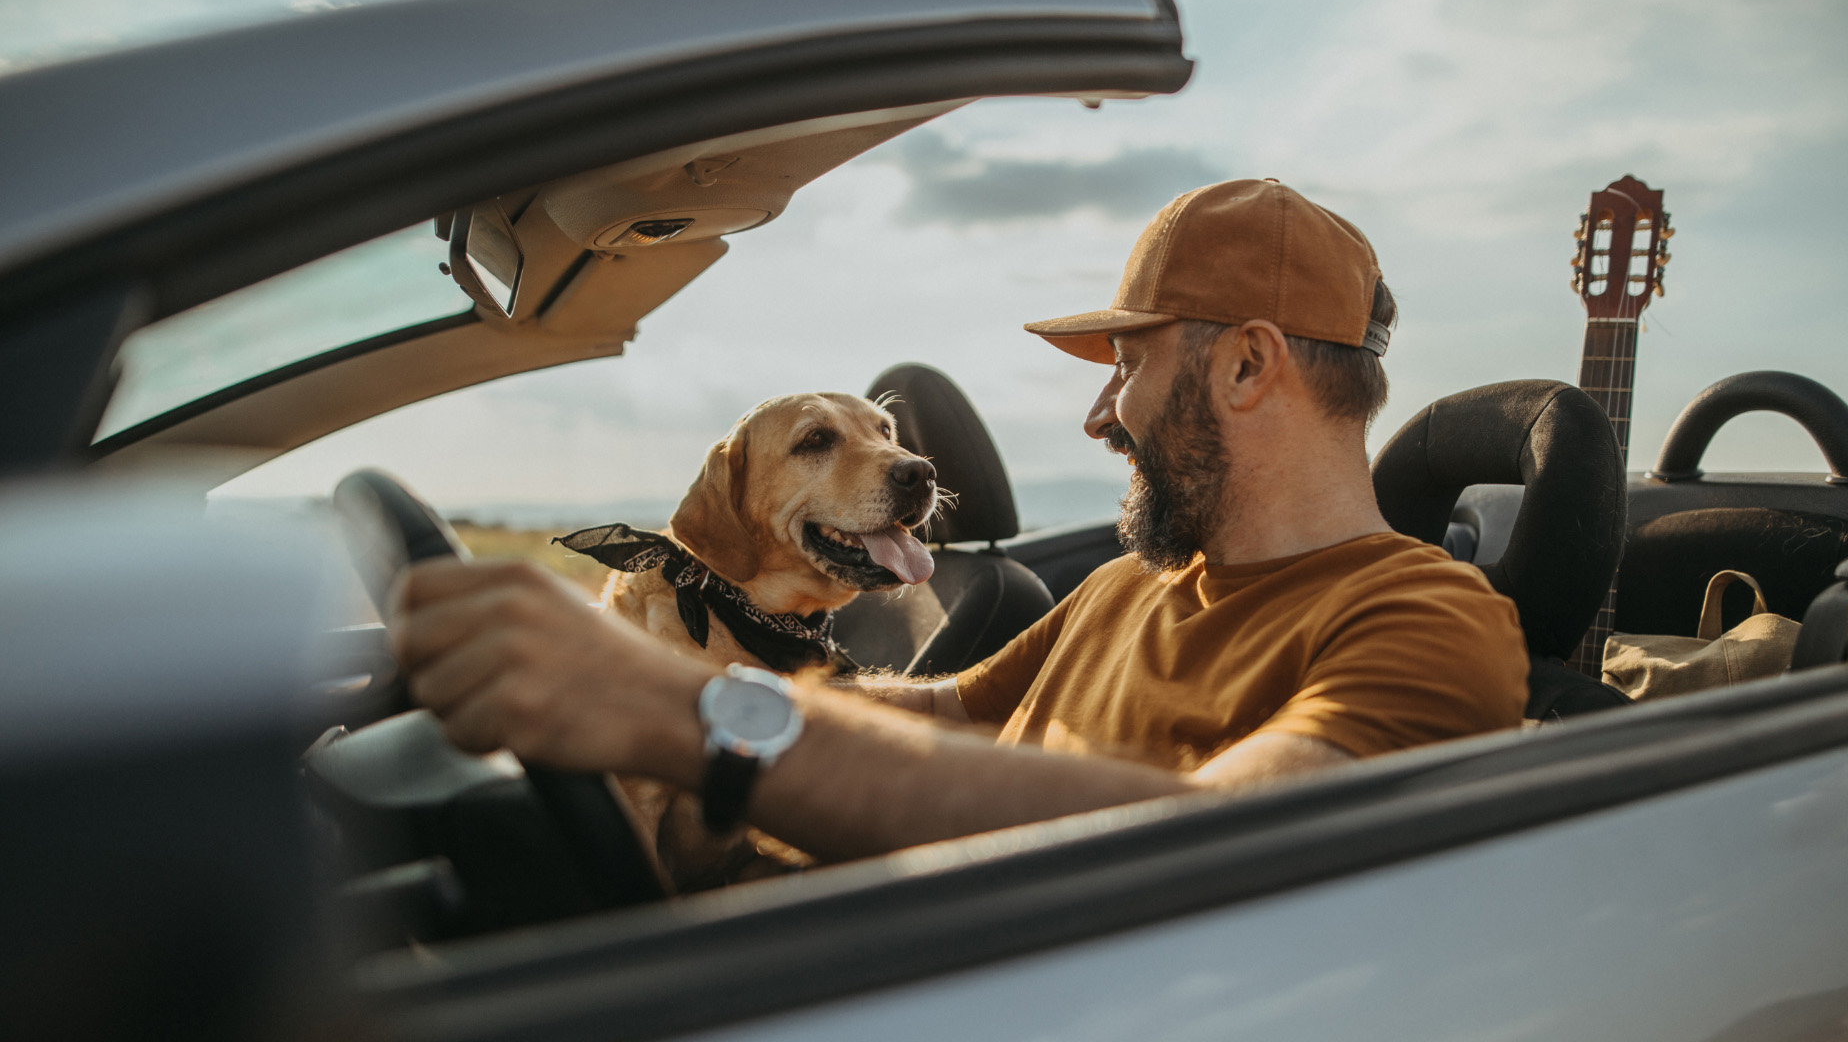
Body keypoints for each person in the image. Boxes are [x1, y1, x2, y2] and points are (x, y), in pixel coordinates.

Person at [397, 179, 1529, 865]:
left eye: (1127, 365)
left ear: (1245, 365)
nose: (1100, 414)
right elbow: (946, 710)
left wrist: (695, 716)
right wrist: (700, 645)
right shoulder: (1132, 585)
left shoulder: (1425, 618)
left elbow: (1208, 843)